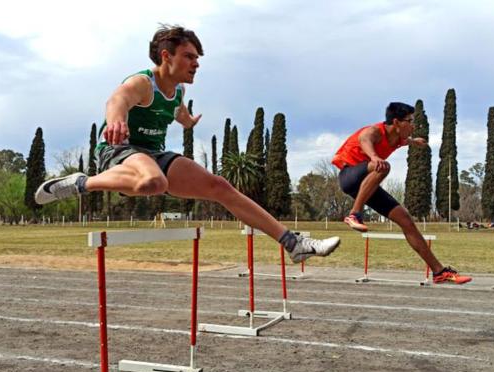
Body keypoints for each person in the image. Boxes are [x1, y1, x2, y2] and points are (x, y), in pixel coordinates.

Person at [35, 25, 339, 263]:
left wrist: (188, 121)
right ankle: (81, 183)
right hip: (119, 150)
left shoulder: (177, 90)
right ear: (166, 56)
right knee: (153, 179)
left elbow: (176, 111)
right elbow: (118, 99)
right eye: (189, 57)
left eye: (197, 58)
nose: (196, 64)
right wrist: (116, 120)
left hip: (154, 153)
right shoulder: (143, 83)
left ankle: (293, 243)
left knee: (219, 186)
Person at [332, 102, 472, 284]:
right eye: (410, 121)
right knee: (382, 167)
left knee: (406, 219)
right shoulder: (375, 131)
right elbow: (364, 140)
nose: (413, 125)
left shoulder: (397, 138)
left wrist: (415, 142)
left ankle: (439, 272)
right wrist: (374, 157)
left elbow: (405, 141)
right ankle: (354, 215)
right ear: (396, 123)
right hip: (350, 176)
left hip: (367, 184)